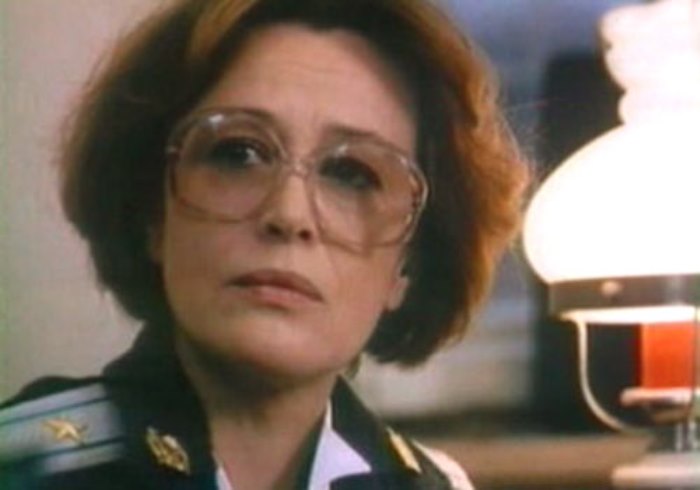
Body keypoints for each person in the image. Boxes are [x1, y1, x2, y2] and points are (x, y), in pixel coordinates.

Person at [0, 0, 528, 488]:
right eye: (239, 154)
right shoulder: (26, 464)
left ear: (406, 266)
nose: (289, 215)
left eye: (352, 174)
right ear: (152, 215)